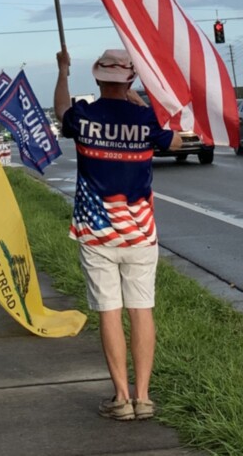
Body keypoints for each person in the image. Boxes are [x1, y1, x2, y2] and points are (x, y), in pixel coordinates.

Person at [54, 47, 182, 422]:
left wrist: (63, 71)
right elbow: (174, 142)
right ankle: (144, 397)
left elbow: (61, 108)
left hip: (96, 231)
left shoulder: (84, 116)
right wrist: (138, 99)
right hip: (141, 231)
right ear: (130, 79)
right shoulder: (145, 119)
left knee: (109, 312)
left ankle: (121, 398)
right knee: (142, 310)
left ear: (97, 79)